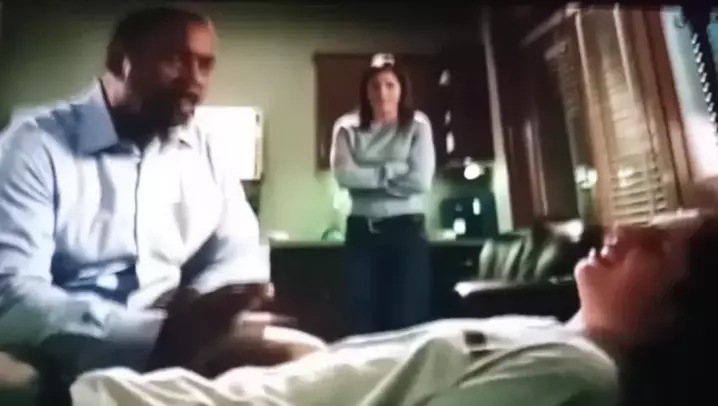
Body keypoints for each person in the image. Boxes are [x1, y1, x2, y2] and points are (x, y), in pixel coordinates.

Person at [69, 209, 715, 405]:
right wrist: (309, 356)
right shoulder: (545, 332)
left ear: (678, 311)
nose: (625, 229)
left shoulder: (578, 374)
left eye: (658, 245)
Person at [0, 6, 313, 383]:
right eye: (174, 60)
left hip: (181, 338)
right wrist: (153, 332)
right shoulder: (33, 145)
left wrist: (197, 304)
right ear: (119, 61)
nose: (194, 80)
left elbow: (239, 254)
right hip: (57, 347)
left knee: (307, 360)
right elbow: (12, 295)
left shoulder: (206, 151)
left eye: (205, 65)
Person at [331, 53, 436, 334]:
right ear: (365, 91)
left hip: (406, 233)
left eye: (390, 85)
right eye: (375, 86)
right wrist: (394, 170)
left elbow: (420, 181)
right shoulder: (347, 128)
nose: (382, 93)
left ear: (402, 89)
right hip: (361, 234)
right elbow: (345, 176)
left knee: (407, 318)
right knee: (361, 320)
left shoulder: (418, 125)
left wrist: (367, 176)